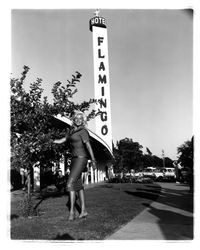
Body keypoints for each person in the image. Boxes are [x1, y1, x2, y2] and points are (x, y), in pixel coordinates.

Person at [53, 111, 96, 221]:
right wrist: (49, 141)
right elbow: (62, 140)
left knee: (70, 183)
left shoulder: (83, 131)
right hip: (74, 159)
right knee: (78, 185)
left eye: (80, 118)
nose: (78, 119)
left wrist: (94, 160)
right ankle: (83, 211)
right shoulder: (71, 131)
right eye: (76, 118)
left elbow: (88, 146)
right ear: (74, 119)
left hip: (81, 158)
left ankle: (72, 212)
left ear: (83, 120)